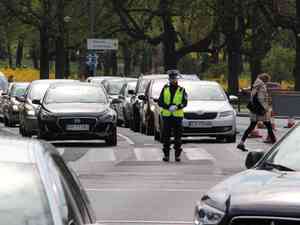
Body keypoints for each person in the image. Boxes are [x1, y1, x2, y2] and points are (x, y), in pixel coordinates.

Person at [237, 73, 276, 151]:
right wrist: (266, 108)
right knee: (268, 125)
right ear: (264, 79)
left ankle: (241, 143)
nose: (267, 82)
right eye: (267, 81)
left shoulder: (256, 85)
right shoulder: (261, 86)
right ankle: (275, 144)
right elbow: (261, 99)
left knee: (252, 126)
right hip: (260, 109)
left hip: (254, 109)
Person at [158, 70, 188, 162]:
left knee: (177, 137)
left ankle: (177, 155)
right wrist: (168, 107)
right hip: (167, 116)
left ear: (177, 79)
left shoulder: (181, 90)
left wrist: (177, 107)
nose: (173, 80)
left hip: (177, 116)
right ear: (169, 79)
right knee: (166, 137)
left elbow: (185, 102)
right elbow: (160, 101)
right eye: (171, 78)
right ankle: (166, 155)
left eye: (174, 78)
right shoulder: (165, 89)